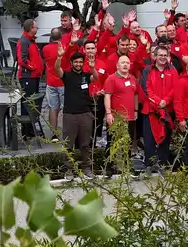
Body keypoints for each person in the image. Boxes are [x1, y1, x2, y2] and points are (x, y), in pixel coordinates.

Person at [54, 46, 95, 174]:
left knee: (85, 144)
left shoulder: (87, 76)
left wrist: (93, 67)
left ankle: (86, 167)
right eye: (76, 62)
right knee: (68, 144)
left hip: (85, 114)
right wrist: (59, 57)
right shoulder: (67, 75)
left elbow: (96, 78)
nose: (78, 64)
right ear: (71, 63)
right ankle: (69, 169)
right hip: (70, 115)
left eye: (80, 62)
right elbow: (57, 69)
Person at [140, 45, 179, 172]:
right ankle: (149, 165)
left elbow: (175, 88)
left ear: (168, 57)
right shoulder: (147, 70)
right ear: (155, 56)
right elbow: (146, 88)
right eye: (160, 55)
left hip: (167, 110)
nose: (162, 57)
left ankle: (163, 164)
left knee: (165, 139)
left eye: (165, 55)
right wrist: (158, 101)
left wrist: (166, 101)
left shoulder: (172, 70)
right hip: (151, 110)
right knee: (149, 139)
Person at [103, 54, 139, 151]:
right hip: (116, 118)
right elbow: (107, 96)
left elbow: (136, 94)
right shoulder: (111, 78)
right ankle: (110, 161)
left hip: (130, 118)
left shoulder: (133, 79)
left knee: (127, 146)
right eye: (123, 62)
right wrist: (108, 113)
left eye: (127, 63)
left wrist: (136, 110)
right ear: (117, 65)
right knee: (113, 146)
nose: (125, 65)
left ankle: (127, 161)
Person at [41, 28, 67, 140]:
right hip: (63, 81)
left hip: (51, 81)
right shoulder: (64, 47)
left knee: (53, 107)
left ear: (51, 37)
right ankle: (66, 131)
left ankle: (54, 133)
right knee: (66, 108)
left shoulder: (45, 48)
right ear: (61, 36)